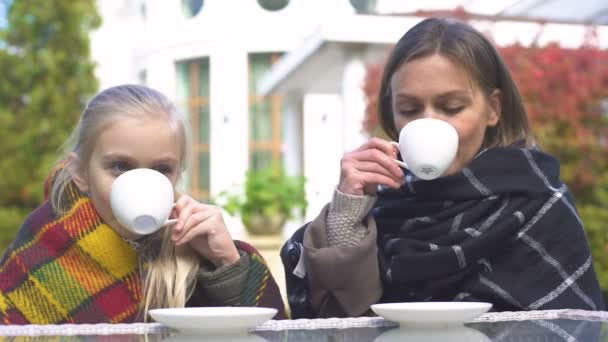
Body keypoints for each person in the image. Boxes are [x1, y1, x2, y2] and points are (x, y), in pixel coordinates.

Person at [281, 17, 604, 318]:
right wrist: (347, 212)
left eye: (451, 107)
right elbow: (340, 322)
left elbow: (568, 328)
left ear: (493, 109)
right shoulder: (380, 205)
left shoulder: (538, 203)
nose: (428, 122)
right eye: (409, 109)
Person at [0, 84, 286, 324]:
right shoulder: (43, 248)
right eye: (120, 167)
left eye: (162, 170)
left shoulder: (189, 253)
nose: (141, 184)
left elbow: (271, 333)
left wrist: (227, 265)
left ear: (178, 174)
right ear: (81, 173)